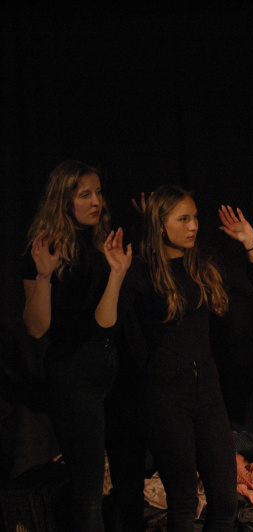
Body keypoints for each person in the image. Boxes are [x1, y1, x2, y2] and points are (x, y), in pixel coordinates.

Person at [123, 184, 253, 531]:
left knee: (225, 501)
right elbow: (128, 339)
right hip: (166, 396)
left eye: (195, 218)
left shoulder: (201, 265)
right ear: (160, 225)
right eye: (183, 219)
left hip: (208, 393)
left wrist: (250, 241)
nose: (194, 226)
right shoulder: (141, 273)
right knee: (184, 504)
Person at [22, 160, 132, 531]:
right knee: (88, 492)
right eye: (85, 194)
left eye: (98, 192)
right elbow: (36, 328)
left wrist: (116, 273)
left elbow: (106, 324)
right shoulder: (45, 249)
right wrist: (44, 276)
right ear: (63, 201)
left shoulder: (105, 244)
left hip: (113, 372)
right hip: (73, 379)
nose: (96, 201)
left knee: (126, 482)